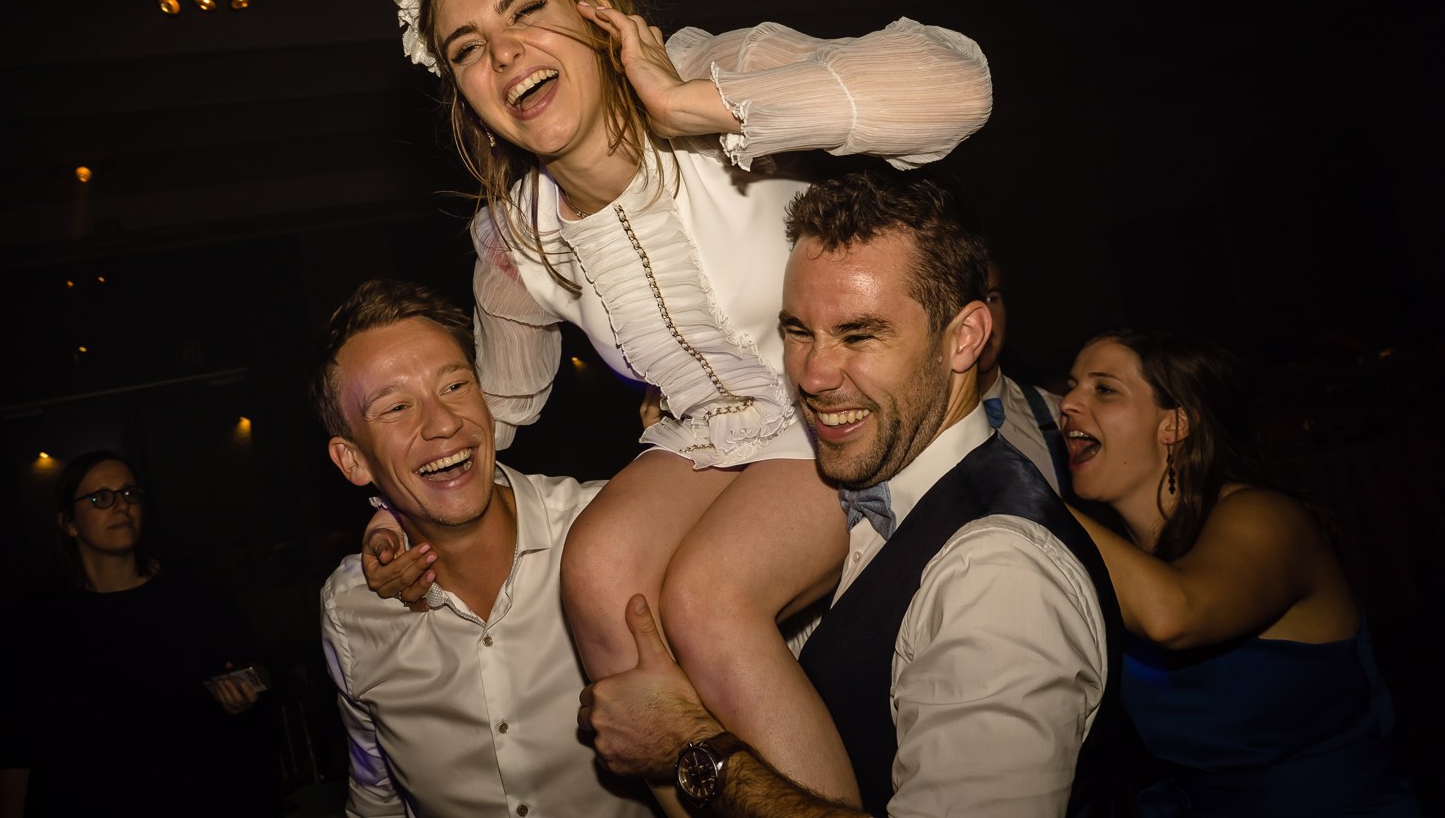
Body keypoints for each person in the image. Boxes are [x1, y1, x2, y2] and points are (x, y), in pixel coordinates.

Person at [367, 0, 993, 805]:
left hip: (838, 407)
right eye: (467, 48)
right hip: (707, 434)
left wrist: (690, 107)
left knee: (707, 594)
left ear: (595, 10)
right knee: (597, 571)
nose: (503, 54)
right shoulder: (514, 237)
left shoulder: (711, 68)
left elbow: (959, 87)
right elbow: (497, 407)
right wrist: (399, 505)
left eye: (526, 9)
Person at [579, 170, 1121, 817]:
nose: (812, 374)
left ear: (964, 338)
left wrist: (691, 748)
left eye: (859, 335)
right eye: (797, 332)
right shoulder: (852, 492)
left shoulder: (999, 576)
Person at [314, 278, 656, 818]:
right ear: (352, 460)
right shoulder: (351, 608)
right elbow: (376, 796)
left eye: (454, 386)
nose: (443, 423)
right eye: (397, 407)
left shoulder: (607, 528)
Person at [1060, 328, 1421, 816]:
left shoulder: (1268, 520)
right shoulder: (1117, 557)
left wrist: (1028, 497)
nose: (1068, 403)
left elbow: (1175, 615)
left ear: (1175, 424)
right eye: (1072, 386)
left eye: (1104, 388)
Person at [0, 451, 279, 818]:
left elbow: (260, 671)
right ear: (69, 524)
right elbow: (17, 742)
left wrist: (242, 689)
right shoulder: (40, 620)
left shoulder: (193, 590)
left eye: (129, 493)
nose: (121, 505)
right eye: (101, 497)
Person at [978, 258, 1071, 492]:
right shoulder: (913, 431)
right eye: (965, 301)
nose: (984, 318)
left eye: (991, 299)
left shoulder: (1056, 416)